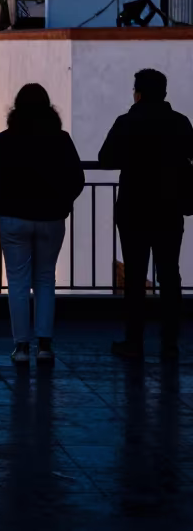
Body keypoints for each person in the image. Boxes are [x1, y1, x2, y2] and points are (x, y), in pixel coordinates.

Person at [0, 84, 84, 365]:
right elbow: (77, 179)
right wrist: (62, 201)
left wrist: (4, 198)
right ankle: (45, 345)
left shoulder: (5, 140)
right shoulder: (61, 140)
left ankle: (21, 347)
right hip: (51, 218)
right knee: (45, 279)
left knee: (17, 282)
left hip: (13, 217)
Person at [99, 68, 193, 360]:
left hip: (134, 209)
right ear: (164, 93)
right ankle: (170, 344)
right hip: (170, 208)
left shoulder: (127, 122)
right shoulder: (179, 123)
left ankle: (134, 341)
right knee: (169, 275)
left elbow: (106, 158)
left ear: (138, 93)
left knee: (136, 276)